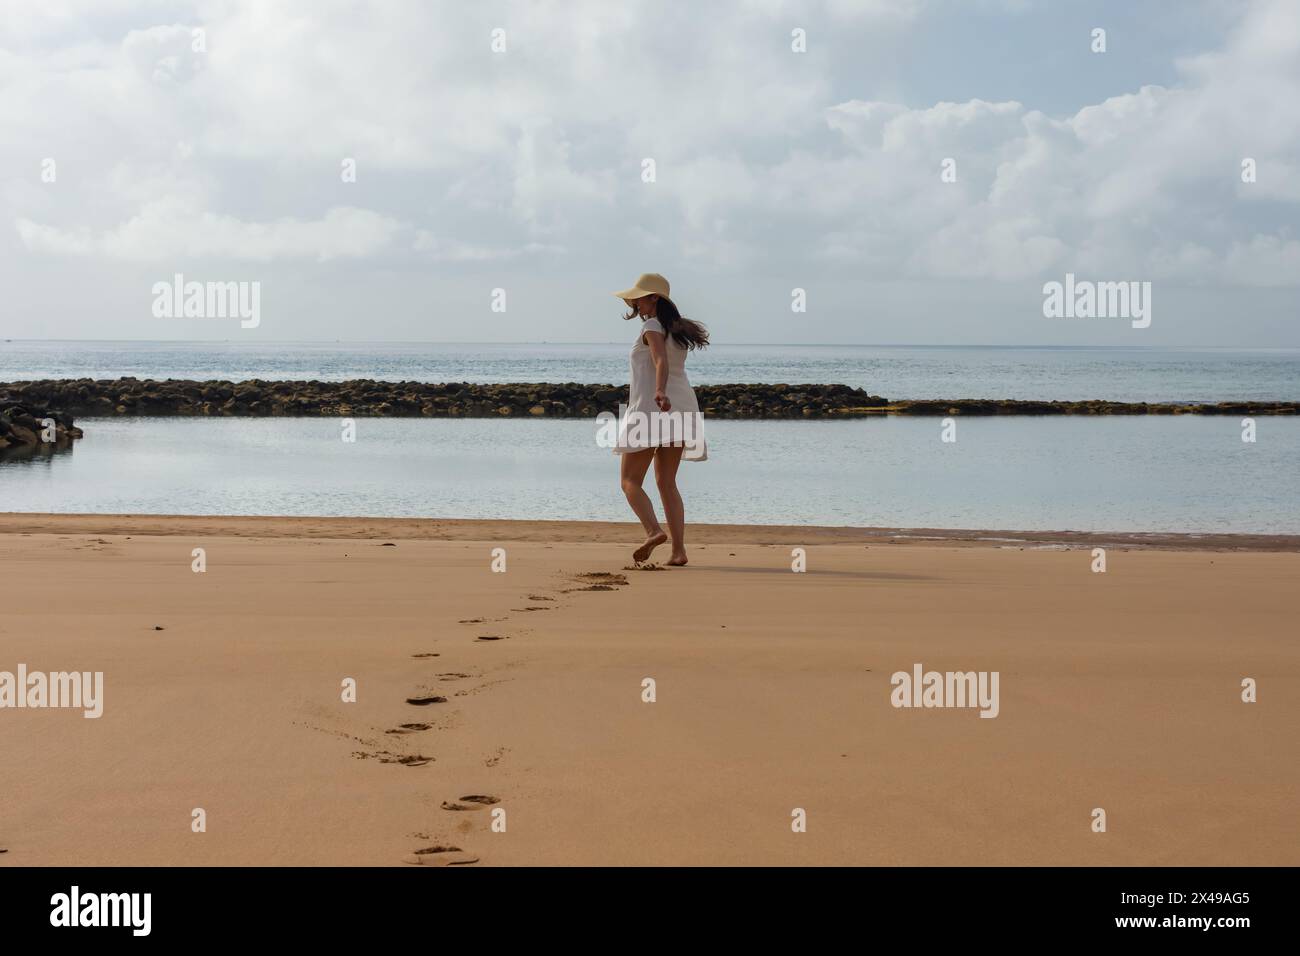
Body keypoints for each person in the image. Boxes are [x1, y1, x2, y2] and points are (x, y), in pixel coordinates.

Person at [610, 272, 709, 566]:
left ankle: (653, 531)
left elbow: (659, 360)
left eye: (640, 296)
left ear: (655, 298)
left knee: (629, 481)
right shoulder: (676, 331)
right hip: (682, 407)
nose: (636, 302)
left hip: (653, 407)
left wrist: (658, 391)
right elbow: (667, 360)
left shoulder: (652, 325)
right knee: (667, 482)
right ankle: (679, 552)